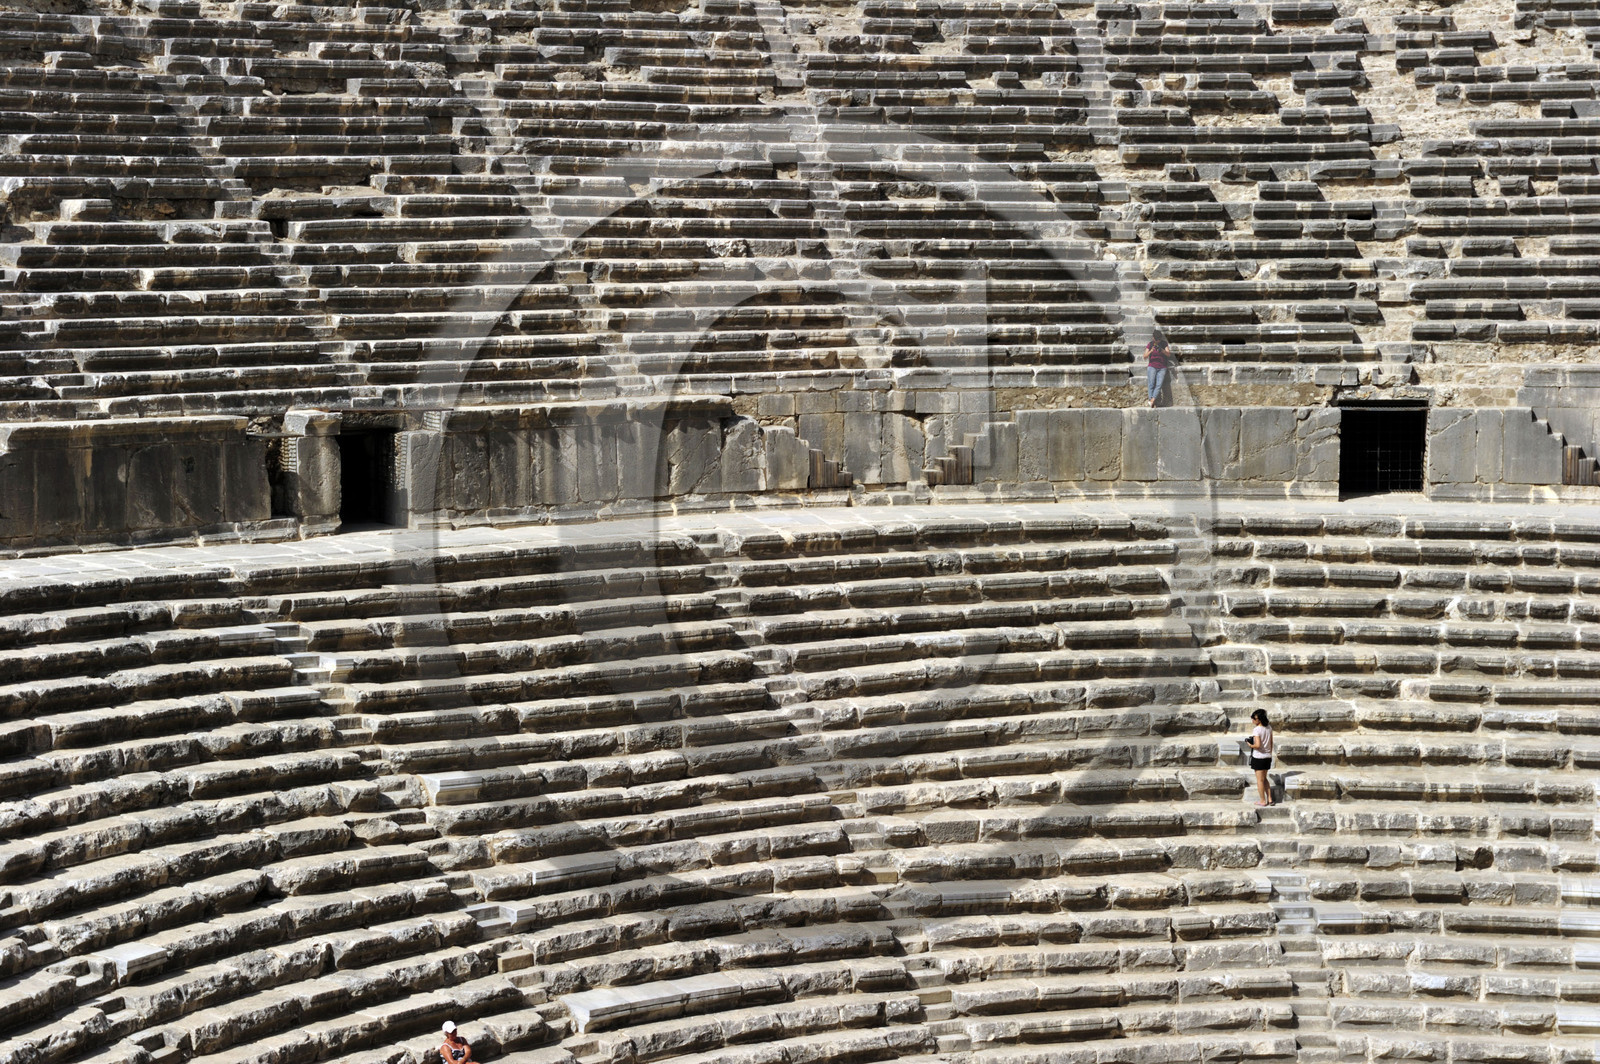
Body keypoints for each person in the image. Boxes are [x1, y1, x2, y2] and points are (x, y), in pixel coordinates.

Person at [1247, 709, 1275, 807]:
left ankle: (1263, 800)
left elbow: (1258, 745)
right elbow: (1271, 743)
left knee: (1260, 780)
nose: (1252, 721)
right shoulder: (1269, 727)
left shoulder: (1257, 730)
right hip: (1267, 757)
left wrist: (1250, 745)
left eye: (1254, 719)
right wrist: (1269, 754)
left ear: (1258, 719)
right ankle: (1270, 799)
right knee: (1264, 778)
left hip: (1259, 757)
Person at [1145, 330, 1174, 408]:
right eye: (1156, 339)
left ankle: (1152, 400)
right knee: (1151, 384)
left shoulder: (1164, 344)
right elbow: (1144, 356)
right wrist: (1151, 350)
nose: (1158, 341)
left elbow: (1168, 354)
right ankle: (1152, 402)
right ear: (1153, 338)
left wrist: (1162, 350)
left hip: (1162, 367)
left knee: (1159, 384)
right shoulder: (1150, 344)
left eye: (1159, 339)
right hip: (1152, 366)